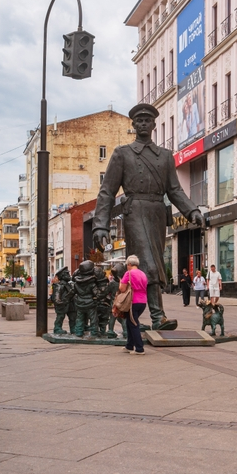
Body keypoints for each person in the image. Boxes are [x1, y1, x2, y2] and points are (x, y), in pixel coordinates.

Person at [93, 103, 204, 331]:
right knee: (149, 265)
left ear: (154, 125)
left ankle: (128, 318)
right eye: (139, 121)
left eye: (147, 121)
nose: (143, 124)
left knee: (148, 266)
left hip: (156, 215)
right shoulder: (122, 154)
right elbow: (107, 191)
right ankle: (157, 316)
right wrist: (100, 225)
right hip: (135, 212)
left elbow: (174, 190)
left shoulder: (165, 156)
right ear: (134, 125)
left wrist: (192, 210)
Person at [120, 255, 149, 355]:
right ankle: (129, 345)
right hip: (143, 302)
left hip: (132, 302)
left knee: (133, 324)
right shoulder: (143, 274)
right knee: (130, 322)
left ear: (129, 264)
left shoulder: (129, 273)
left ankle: (139, 348)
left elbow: (122, 289)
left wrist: (121, 282)